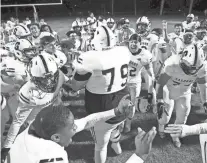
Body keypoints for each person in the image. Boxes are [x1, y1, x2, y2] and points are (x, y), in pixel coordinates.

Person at [4, 95, 133, 163]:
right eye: (71, 129)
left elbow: (87, 121)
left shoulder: (36, 130)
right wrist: (138, 156)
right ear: (56, 137)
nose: (75, 130)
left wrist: (116, 111)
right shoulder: (52, 155)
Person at [69, 25, 131, 163]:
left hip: (101, 105)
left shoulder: (89, 57)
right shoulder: (124, 50)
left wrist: (76, 69)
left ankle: (112, 145)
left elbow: (75, 86)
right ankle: (116, 145)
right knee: (114, 126)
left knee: (100, 146)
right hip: (124, 99)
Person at [156, 44, 207, 148]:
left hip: (185, 92)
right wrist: (160, 100)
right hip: (169, 91)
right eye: (189, 67)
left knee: (183, 116)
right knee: (164, 117)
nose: (192, 71)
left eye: (195, 69)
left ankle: (175, 136)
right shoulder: (172, 63)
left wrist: (205, 102)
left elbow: (202, 86)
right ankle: (161, 125)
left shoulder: (202, 68)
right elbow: (160, 83)